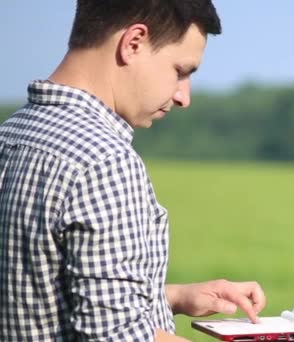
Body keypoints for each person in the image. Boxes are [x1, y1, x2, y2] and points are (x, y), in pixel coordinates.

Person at [0, 1, 266, 341]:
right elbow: (118, 335)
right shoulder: (103, 160)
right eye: (180, 70)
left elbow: (40, 296)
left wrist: (176, 297)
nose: (184, 96)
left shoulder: (13, 132)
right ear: (134, 43)